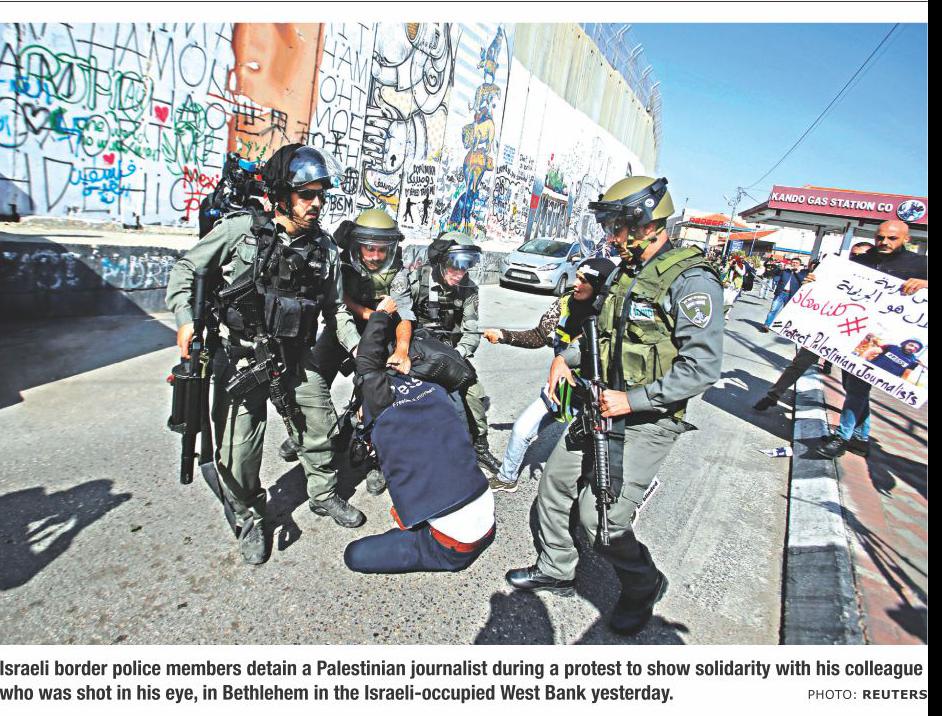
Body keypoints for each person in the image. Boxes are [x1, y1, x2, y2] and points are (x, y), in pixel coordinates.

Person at [505, 176, 725, 636]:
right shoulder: (624, 273)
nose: (611, 236)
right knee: (555, 484)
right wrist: (565, 359)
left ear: (647, 223)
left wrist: (632, 400)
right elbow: (602, 339)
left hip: (647, 419)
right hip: (597, 405)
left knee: (601, 519)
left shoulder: (691, 282)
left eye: (617, 226)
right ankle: (557, 568)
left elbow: (701, 369)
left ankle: (644, 585)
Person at [166, 144, 364, 565]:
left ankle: (324, 494)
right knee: (237, 455)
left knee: (321, 427)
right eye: (306, 195)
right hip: (242, 358)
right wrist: (185, 320)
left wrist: (357, 346)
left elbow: (336, 309)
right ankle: (249, 518)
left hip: (296, 356)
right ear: (281, 195)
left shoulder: (325, 249)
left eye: (320, 195)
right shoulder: (241, 231)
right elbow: (187, 269)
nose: (316, 204)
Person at [342, 297, 495, 573]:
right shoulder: (433, 386)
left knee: (354, 555)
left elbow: (365, 360)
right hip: (485, 515)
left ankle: (427, 534)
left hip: (455, 546)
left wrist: (380, 315)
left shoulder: (380, 402)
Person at [279, 208, 414, 497]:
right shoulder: (340, 263)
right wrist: (369, 313)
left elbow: (404, 314)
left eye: (382, 249)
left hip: (381, 335)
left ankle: (377, 456)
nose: (375, 256)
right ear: (357, 246)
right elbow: (337, 298)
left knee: (377, 393)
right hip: (342, 328)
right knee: (313, 378)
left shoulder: (398, 272)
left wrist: (402, 349)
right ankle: (305, 433)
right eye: (369, 249)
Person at [482, 257, 617, 493]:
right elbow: (539, 335)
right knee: (521, 429)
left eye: (584, 280)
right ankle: (506, 477)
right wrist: (503, 335)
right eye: (577, 277)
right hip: (562, 389)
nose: (576, 283)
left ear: (598, 286)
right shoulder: (564, 303)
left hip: (598, 398)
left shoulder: (611, 314)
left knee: (591, 461)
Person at [816, 219, 927, 459]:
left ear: (906, 239)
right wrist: (814, 282)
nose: (884, 242)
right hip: (854, 333)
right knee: (852, 386)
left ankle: (842, 437)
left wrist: (926, 283)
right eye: (880, 237)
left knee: (857, 387)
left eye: (892, 238)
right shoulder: (862, 261)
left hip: (890, 339)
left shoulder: (921, 264)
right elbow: (836, 286)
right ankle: (861, 439)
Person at [408, 231, 503, 474]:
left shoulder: (468, 289)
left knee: (474, 393)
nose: (460, 273)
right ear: (440, 260)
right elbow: (399, 318)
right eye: (456, 265)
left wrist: (458, 354)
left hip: (449, 352)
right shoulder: (417, 280)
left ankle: (479, 447)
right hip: (414, 351)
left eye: (467, 266)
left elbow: (471, 330)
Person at [760, 257, 804, 331]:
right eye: (793, 262)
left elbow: (802, 281)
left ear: (799, 264)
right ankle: (767, 325)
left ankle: (778, 327)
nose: (794, 264)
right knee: (773, 310)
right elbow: (774, 273)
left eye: (796, 263)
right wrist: (781, 268)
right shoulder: (785, 271)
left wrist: (796, 272)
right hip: (780, 293)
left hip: (791, 295)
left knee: (785, 313)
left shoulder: (801, 273)